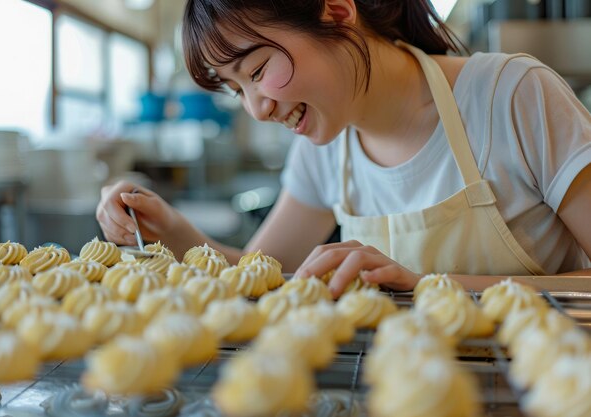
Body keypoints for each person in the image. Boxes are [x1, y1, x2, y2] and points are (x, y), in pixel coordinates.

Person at [97, 0, 591, 298]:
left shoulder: (512, 96)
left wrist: (429, 284)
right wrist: (173, 231)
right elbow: (258, 276)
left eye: (256, 71)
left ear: (336, 11)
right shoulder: (325, 145)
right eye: (237, 90)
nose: (257, 108)